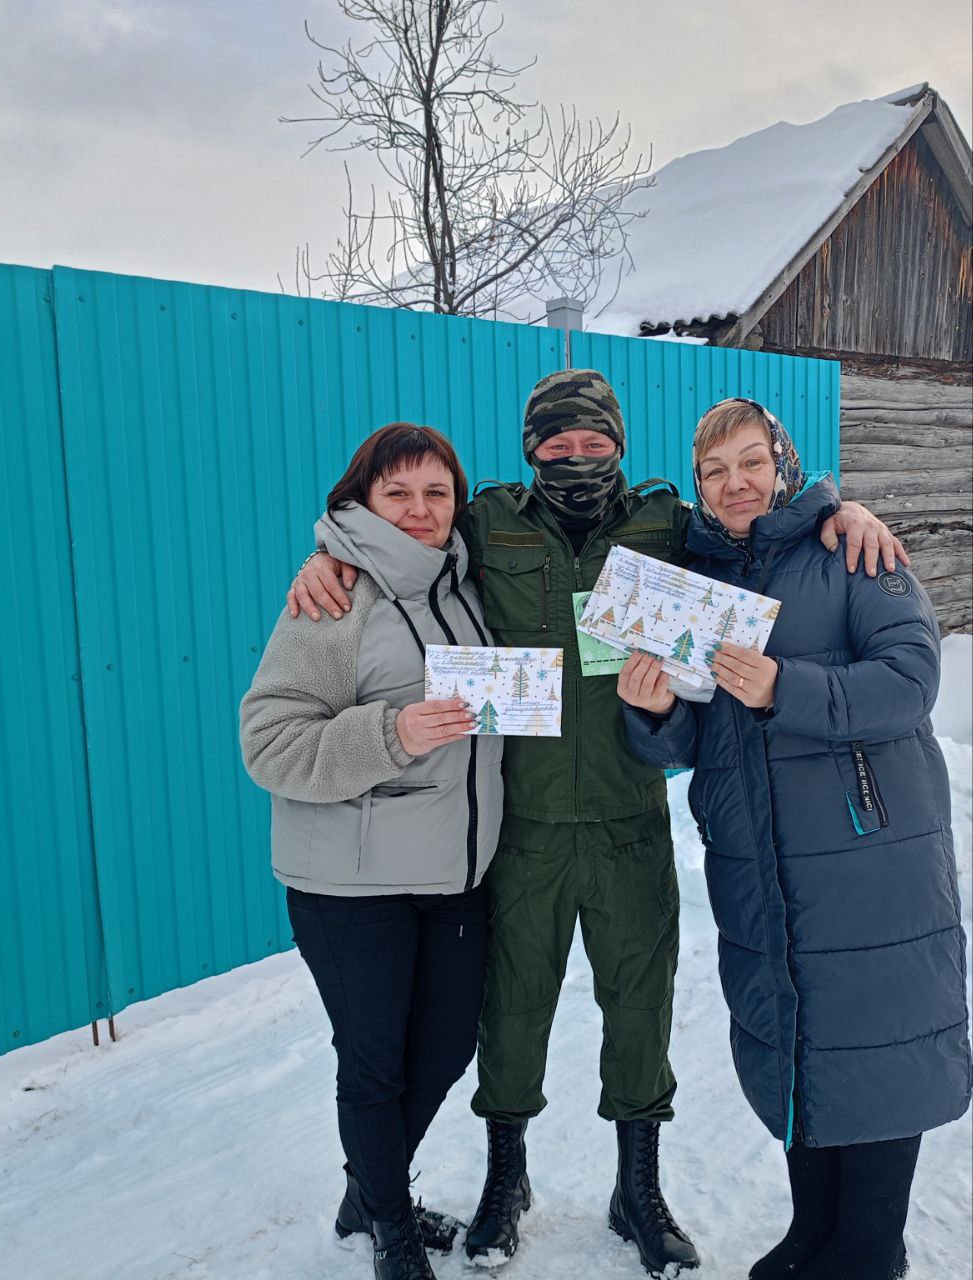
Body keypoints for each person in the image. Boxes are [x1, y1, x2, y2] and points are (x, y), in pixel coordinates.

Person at [287, 371, 906, 1274]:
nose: (575, 458)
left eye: (593, 444)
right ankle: (508, 1176)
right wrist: (331, 556)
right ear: (530, 448)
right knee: (512, 1010)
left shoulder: (664, 526)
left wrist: (840, 514)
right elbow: (400, 541)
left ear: (618, 443)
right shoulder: (485, 526)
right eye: (555, 445)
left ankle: (637, 1186)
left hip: (627, 819)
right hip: (521, 827)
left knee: (638, 1006)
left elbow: (753, 528)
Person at [618, 397, 971, 1280]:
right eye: (713, 470)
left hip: (866, 852)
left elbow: (910, 679)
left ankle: (866, 1247)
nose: (733, 483)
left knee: (876, 1034)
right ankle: (813, 1230)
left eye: (749, 462)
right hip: (759, 859)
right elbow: (702, 736)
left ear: (782, 463)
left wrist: (787, 686)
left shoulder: (852, 552)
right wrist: (653, 712)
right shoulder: (695, 579)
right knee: (796, 1037)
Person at [241, 423, 504, 1280]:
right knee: (375, 1065)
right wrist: (388, 734)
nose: (420, 510)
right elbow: (268, 741)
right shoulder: (333, 598)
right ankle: (388, 1229)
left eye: (436, 493)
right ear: (361, 500)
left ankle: (368, 1190)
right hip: (351, 886)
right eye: (399, 494)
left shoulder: (463, 586)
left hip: (452, 872)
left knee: (446, 1048)